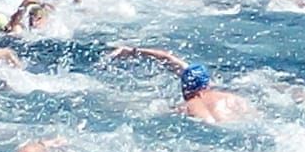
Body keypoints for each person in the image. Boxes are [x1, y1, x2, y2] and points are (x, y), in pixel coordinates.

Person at [104, 45, 252, 122]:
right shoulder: (234, 99)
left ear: (184, 88)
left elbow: (168, 59)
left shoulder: (183, 108)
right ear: (207, 83)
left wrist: (132, 51)